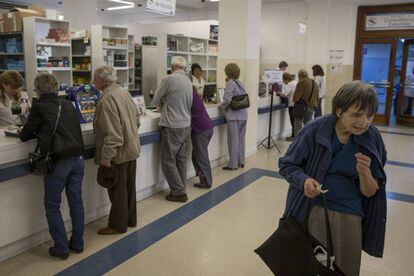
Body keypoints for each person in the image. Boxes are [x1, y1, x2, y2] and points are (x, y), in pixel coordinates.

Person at [279, 81, 387, 276]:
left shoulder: (372, 138)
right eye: (356, 115)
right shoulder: (314, 130)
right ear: (339, 111)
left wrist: (365, 172)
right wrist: (304, 181)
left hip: (351, 216)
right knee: (310, 266)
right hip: (312, 210)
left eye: (369, 116)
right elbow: (287, 165)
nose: (364, 122)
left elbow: (370, 191)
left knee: (345, 269)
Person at [19, 72, 85, 260]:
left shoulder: (39, 106)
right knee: (76, 202)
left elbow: (25, 135)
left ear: (38, 90)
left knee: (52, 205)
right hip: (78, 159)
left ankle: (61, 248)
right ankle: (78, 243)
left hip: (58, 162)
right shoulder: (68, 104)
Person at [93, 66, 141, 235]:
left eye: (95, 79)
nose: (93, 82)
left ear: (103, 81)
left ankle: (117, 225)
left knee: (118, 192)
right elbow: (137, 119)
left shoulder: (106, 100)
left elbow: (112, 135)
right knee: (129, 189)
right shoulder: (123, 92)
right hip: (131, 150)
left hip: (118, 154)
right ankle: (130, 219)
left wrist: (106, 158)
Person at [153, 56, 193, 202]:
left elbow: (155, 99)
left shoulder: (169, 79)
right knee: (181, 160)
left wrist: (163, 101)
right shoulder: (189, 81)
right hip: (185, 125)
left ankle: (178, 192)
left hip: (172, 126)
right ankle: (181, 187)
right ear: (185, 68)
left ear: (172, 67)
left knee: (168, 160)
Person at [221, 63, 248, 170]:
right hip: (243, 115)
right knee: (241, 140)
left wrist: (222, 107)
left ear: (228, 72)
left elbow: (227, 99)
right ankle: (241, 161)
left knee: (233, 141)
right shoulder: (240, 83)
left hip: (234, 116)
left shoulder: (230, 83)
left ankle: (232, 165)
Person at [191, 88, 214, 189]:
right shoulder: (195, 96)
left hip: (201, 130)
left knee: (201, 156)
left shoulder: (188, 96)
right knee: (196, 156)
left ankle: (207, 181)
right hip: (208, 127)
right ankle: (202, 177)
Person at [292, 69, 319, 136]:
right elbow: (317, 96)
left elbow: (296, 97)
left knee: (298, 124)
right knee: (308, 125)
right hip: (312, 106)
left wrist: (294, 99)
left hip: (301, 107)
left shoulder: (302, 82)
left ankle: (298, 141)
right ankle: (307, 140)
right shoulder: (314, 82)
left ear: (300, 76)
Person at [279, 72, 297, 141]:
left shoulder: (290, 84)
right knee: (295, 121)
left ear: (286, 79)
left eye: (283, 80)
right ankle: (294, 135)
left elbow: (284, 94)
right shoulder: (295, 82)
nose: (283, 82)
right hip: (296, 104)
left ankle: (293, 136)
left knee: (293, 121)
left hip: (292, 104)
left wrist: (279, 93)